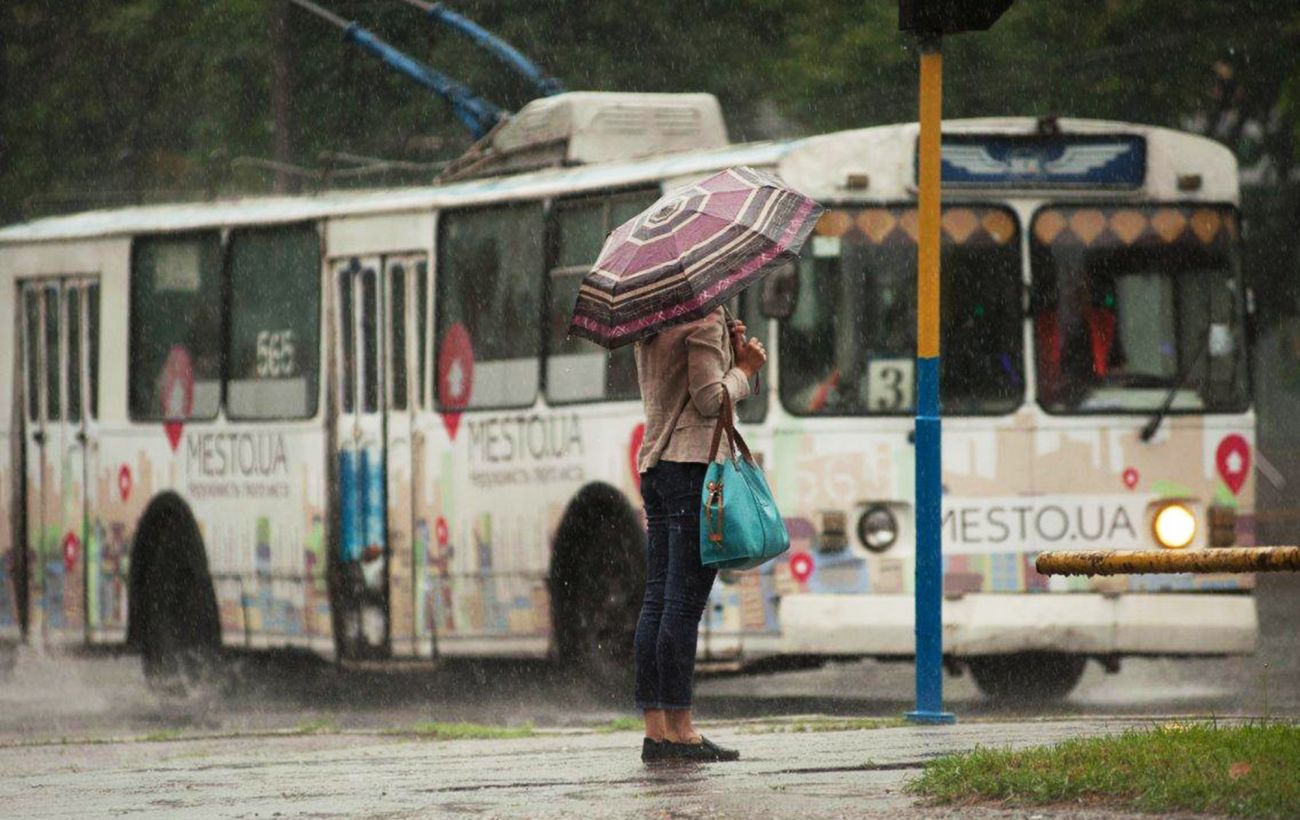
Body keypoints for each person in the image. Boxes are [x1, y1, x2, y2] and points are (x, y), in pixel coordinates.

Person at [632, 307, 767, 764]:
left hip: (655, 465)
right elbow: (711, 398)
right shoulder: (702, 318)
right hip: (693, 468)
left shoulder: (648, 320)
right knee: (683, 604)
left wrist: (729, 345)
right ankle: (682, 730)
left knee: (656, 599)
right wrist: (745, 368)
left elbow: (678, 384)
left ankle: (656, 731)